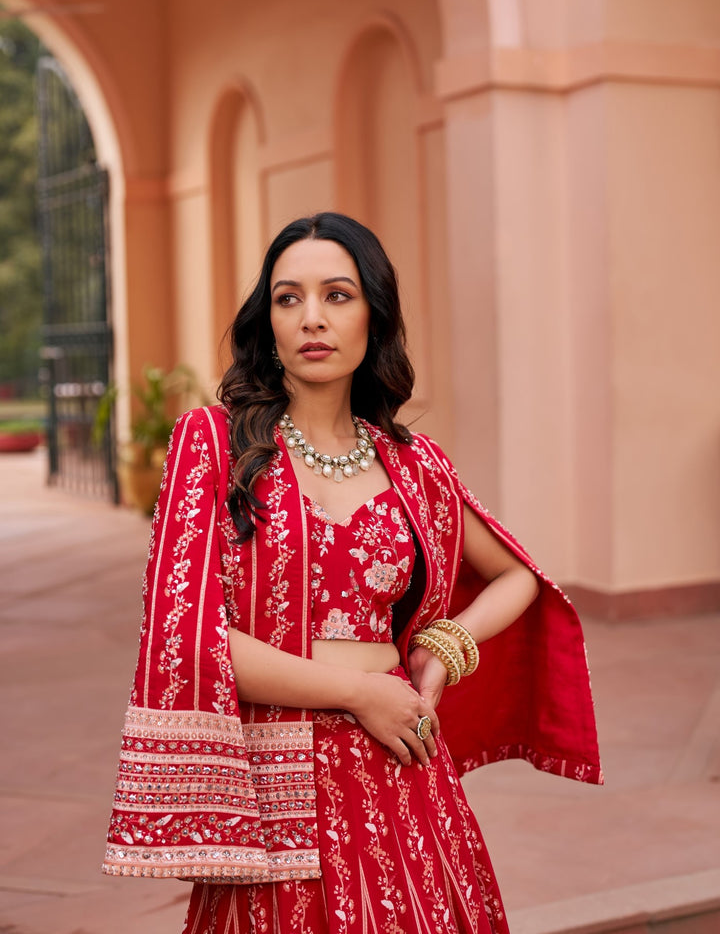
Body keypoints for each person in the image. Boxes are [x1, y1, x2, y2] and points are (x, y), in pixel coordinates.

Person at [103, 212, 602, 934]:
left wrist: (443, 650)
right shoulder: (213, 445)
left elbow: (518, 576)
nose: (312, 318)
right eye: (288, 298)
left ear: (374, 312)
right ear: (266, 321)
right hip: (278, 785)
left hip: (402, 770)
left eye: (337, 295)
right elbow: (191, 636)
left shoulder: (414, 464)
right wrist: (359, 694)